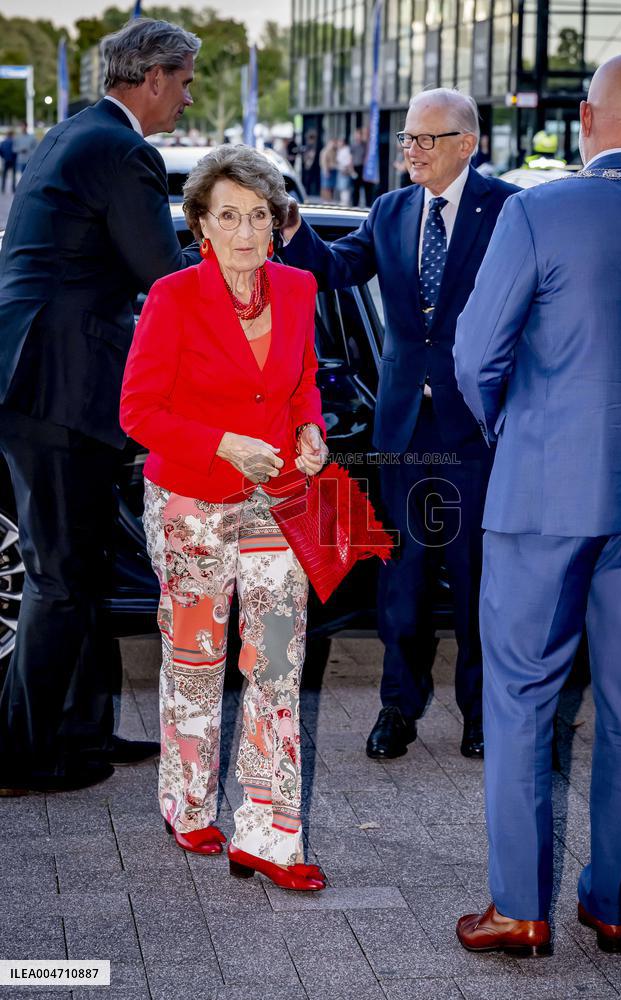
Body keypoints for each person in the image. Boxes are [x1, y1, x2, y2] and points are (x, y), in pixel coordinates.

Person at [454, 53, 621, 956]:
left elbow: (477, 354)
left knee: (520, 698)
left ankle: (520, 907)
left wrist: (514, 426)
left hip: (544, 492)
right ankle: (613, 904)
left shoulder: (537, 209)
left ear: (585, 121)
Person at [281, 89, 519, 760]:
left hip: (474, 425)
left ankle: (481, 715)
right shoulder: (388, 210)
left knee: (476, 576)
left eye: (423, 139)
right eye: (405, 140)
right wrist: (295, 228)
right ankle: (397, 708)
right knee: (403, 577)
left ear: (464, 144)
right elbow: (332, 270)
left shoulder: (506, 210)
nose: (407, 150)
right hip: (403, 429)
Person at [0, 18, 201, 796]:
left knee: (76, 569)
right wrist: (241, 254)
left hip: (39, 380)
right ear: (151, 78)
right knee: (58, 575)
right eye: (184, 81)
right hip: (59, 386)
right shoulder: (123, 149)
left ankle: (82, 732)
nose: (186, 97)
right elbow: (162, 272)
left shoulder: (72, 134)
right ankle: (18, 756)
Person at [120, 145, 329, 890]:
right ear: (201, 226)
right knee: (197, 661)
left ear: (276, 224)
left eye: (259, 216)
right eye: (229, 216)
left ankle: (270, 837)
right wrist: (220, 444)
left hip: (274, 499)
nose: (246, 232)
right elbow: (138, 411)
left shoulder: (300, 288)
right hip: (190, 505)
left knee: (276, 661)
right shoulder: (174, 297)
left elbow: (303, 382)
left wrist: (310, 429)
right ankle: (187, 803)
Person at [350, 127, 375, 206]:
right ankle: (355, 205)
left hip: (364, 168)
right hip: (356, 168)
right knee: (355, 189)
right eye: (356, 135)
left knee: (367, 188)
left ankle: (368, 205)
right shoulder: (353, 146)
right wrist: (352, 170)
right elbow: (350, 158)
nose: (357, 137)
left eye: (359, 135)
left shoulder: (365, 145)